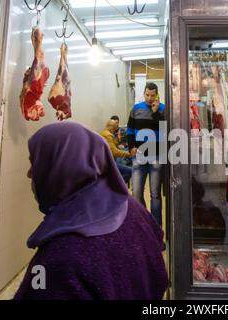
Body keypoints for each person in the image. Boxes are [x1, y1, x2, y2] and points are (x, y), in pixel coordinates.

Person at [14, 122, 168, 300]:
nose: (29, 173)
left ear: (61, 167)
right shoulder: (132, 208)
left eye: (35, 163)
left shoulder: (58, 261)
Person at [126, 83, 166, 228]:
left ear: (157, 95)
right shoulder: (136, 109)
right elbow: (130, 129)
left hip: (157, 155)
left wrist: (156, 113)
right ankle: (144, 225)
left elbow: (165, 130)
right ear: (144, 94)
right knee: (136, 193)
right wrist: (131, 147)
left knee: (155, 195)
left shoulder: (163, 109)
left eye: (152, 95)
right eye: (147, 95)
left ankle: (156, 229)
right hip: (139, 155)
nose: (149, 98)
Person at [101, 118, 133, 184]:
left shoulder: (105, 132)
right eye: (116, 128)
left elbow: (114, 145)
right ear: (113, 128)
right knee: (130, 171)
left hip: (108, 160)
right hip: (108, 163)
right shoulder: (108, 135)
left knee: (125, 160)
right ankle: (117, 187)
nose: (116, 130)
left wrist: (118, 139)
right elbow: (115, 152)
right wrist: (129, 154)